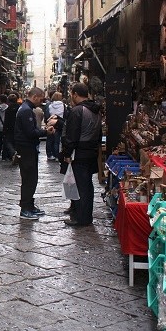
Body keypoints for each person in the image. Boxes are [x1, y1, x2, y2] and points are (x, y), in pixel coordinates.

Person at [55, 82, 102, 227]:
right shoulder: (95, 110)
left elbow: (72, 135)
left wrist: (67, 153)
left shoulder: (77, 111)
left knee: (81, 186)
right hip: (91, 151)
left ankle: (82, 218)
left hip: (79, 153)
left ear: (75, 94)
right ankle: (83, 214)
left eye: (71, 95)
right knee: (87, 185)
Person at [14, 87, 54, 219]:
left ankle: (29, 205)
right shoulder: (26, 111)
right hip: (26, 149)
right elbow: (30, 132)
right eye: (41, 98)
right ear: (35, 97)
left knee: (31, 178)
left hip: (27, 148)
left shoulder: (26, 109)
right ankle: (25, 208)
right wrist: (46, 132)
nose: (41, 102)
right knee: (29, 178)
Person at [45, 91, 66, 161]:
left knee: (49, 140)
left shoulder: (50, 105)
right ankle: (56, 155)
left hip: (51, 123)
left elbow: (46, 115)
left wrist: (47, 122)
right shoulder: (63, 106)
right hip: (59, 124)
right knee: (57, 141)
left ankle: (49, 154)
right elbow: (65, 116)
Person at [2, 93, 19, 162]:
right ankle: (14, 154)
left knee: (8, 142)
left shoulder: (8, 109)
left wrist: (4, 129)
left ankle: (13, 153)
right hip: (17, 128)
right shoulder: (19, 108)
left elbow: (6, 120)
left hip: (9, 128)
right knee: (15, 142)